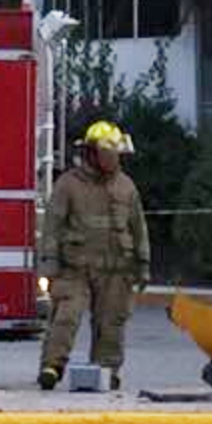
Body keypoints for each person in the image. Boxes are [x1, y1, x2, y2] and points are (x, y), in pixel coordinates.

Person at [37, 120, 150, 391]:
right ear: (93, 153)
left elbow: (138, 227)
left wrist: (143, 265)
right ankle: (52, 367)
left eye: (117, 155)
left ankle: (106, 370)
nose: (115, 161)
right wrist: (49, 266)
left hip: (116, 270)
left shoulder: (126, 186)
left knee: (111, 323)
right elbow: (52, 226)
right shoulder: (68, 185)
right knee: (66, 317)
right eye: (110, 154)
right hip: (74, 269)